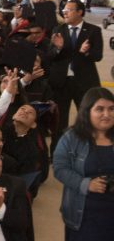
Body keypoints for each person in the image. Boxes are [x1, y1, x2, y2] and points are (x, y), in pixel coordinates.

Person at [53, 87, 114, 240]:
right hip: (82, 215)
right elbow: (60, 168)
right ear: (87, 112)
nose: (107, 114)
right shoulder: (72, 137)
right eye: (100, 109)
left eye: (111, 109)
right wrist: (86, 184)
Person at [47, 0, 103, 150]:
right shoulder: (58, 29)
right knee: (59, 120)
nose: (65, 13)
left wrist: (87, 52)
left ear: (80, 12)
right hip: (61, 82)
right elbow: (50, 56)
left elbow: (98, 56)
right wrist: (58, 48)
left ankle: (90, 150)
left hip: (84, 81)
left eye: (69, 10)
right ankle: (57, 152)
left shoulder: (93, 30)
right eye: (64, 10)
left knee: (87, 118)